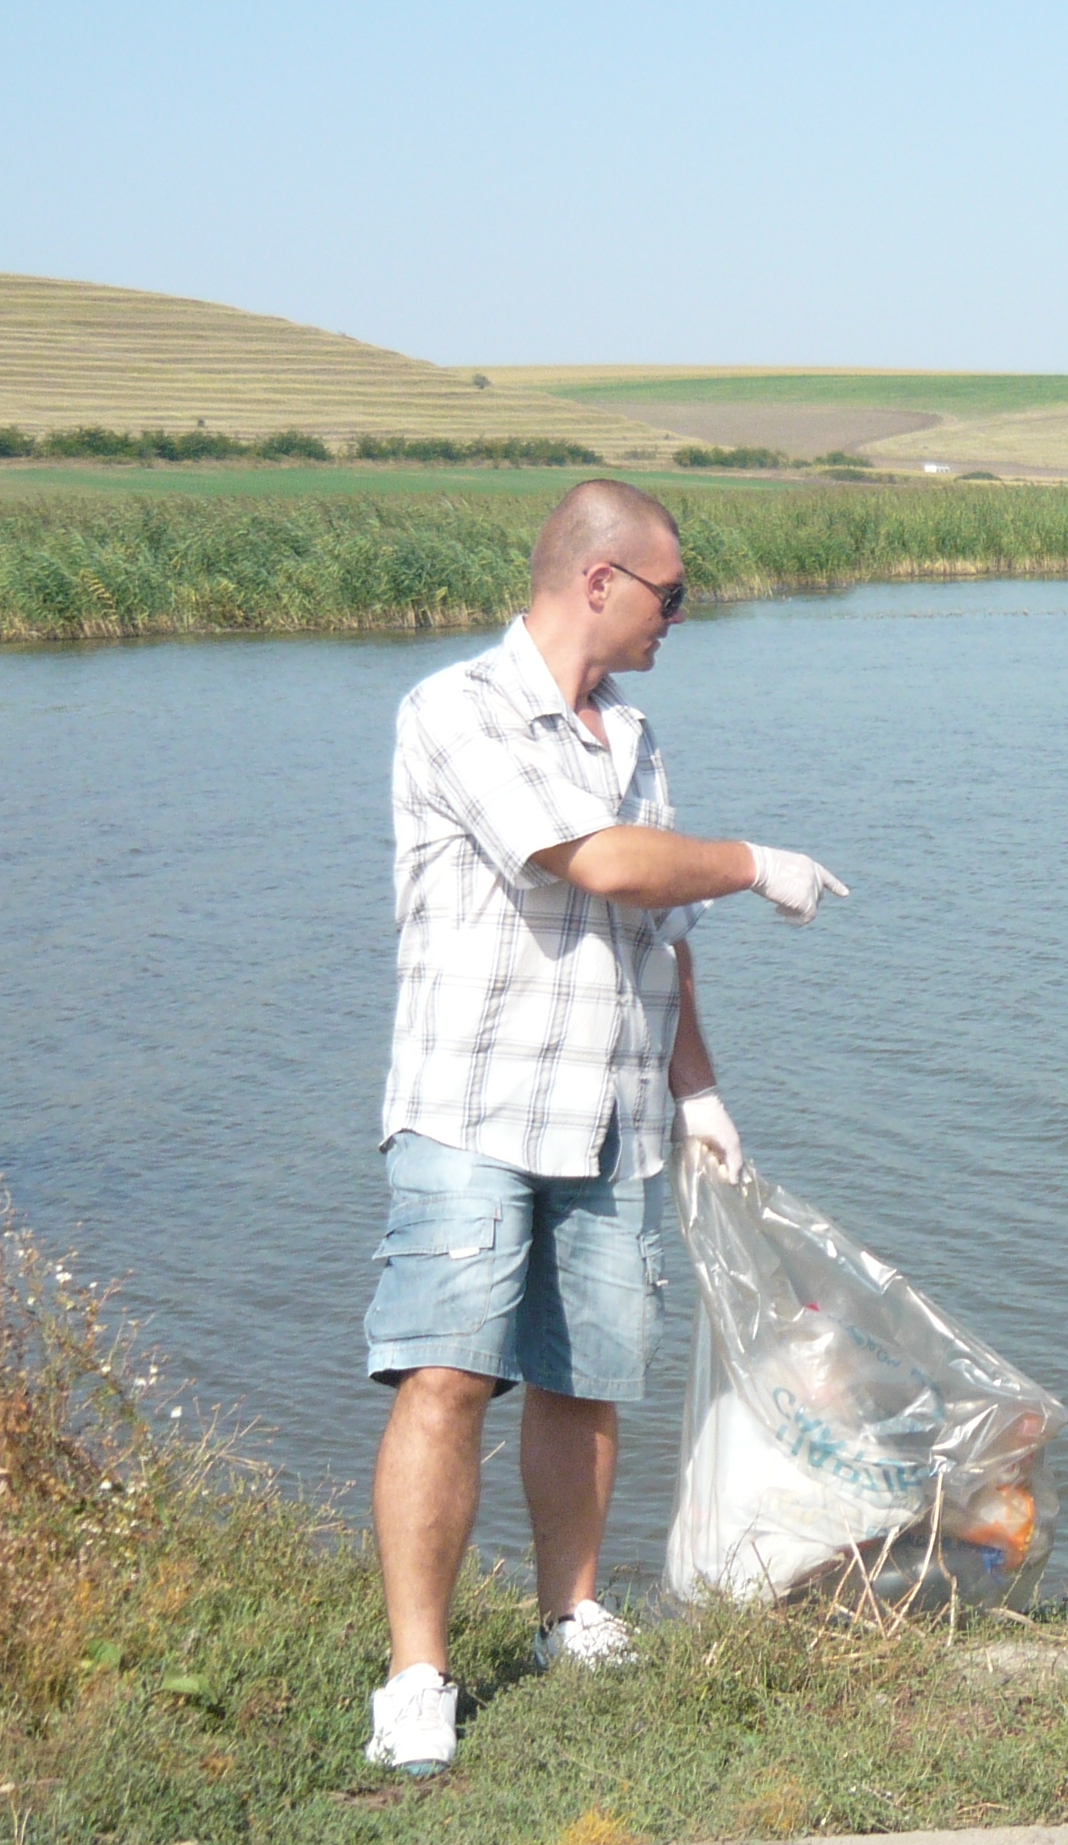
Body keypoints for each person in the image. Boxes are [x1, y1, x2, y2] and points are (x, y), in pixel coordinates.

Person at [361, 478, 848, 1775]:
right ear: (597, 580)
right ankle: (417, 1674)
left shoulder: (629, 733)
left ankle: (568, 1615)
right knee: (446, 1377)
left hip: (615, 1115)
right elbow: (603, 864)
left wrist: (697, 1089)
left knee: (585, 1384)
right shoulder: (456, 711)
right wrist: (755, 859)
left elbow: (658, 933)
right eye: (670, 594)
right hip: (474, 1108)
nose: (679, 617)